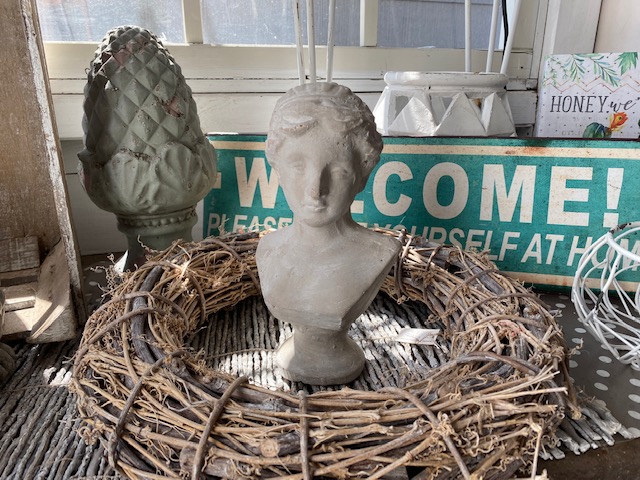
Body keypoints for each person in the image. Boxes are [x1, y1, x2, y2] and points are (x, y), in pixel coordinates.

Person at [256, 82, 401, 385]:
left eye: (337, 171)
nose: (315, 189)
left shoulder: (379, 253)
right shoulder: (268, 249)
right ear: (277, 170)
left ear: (362, 177)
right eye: (298, 166)